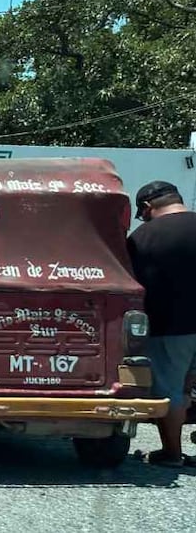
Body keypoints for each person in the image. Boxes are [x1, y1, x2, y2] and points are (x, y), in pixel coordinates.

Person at [126, 180, 196, 468]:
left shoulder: (142, 238)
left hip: (171, 328)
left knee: (171, 392)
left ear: (147, 207)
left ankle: (172, 454)